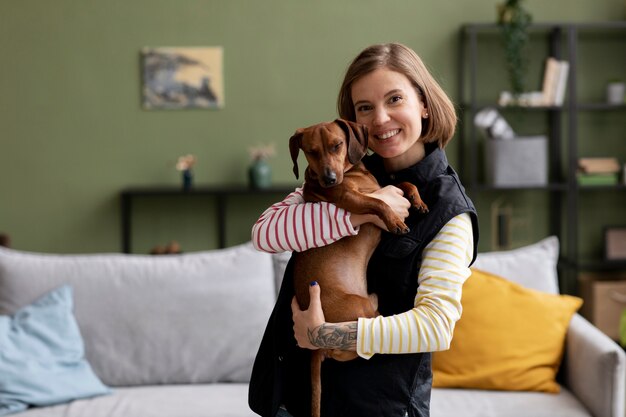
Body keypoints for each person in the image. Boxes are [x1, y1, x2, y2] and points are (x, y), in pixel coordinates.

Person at [248, 43, 479, 417]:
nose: (381, 118)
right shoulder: (346, 171)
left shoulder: (450, 211)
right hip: (293, 397)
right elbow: (265, 233)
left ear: (423, 103)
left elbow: (437, 326)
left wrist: (327, 335)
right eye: (365, 107)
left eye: (395, 99)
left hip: (375, 406)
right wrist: (355, 215)